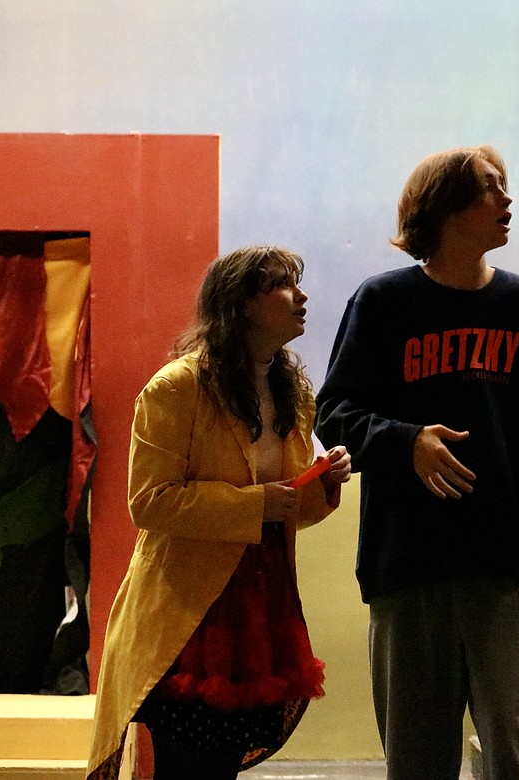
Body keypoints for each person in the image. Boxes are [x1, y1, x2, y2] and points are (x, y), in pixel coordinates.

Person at [315, 144, 519, 780]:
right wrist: (407, 440)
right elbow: (334, 413)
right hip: (408, 566)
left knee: (515, 755)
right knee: (417, 762)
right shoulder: (383, 302)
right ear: (445, 205)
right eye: (491, 188)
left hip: (508, 564)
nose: (508, 200)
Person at [87, 246, 352, 780]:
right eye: (282, 285)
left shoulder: (291, 391)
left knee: (220, 767)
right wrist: (256, 504)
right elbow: (149, 501)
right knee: (189, 767)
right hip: (193, 616)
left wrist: (322, 484)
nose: (301, 296)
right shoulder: (177, 387)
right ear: (241, 304)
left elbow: (288, 508)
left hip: (261, 604)